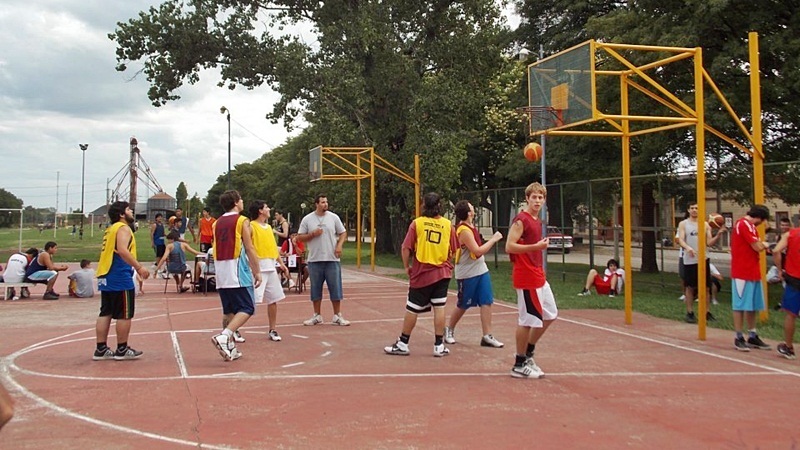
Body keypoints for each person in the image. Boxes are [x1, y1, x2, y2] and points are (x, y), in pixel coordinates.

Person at [385, 192, 458, 357]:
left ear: (424, 205)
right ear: (440, 206)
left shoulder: (417, 224)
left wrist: (406, 267)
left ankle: (403, 342)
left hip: (422, 272)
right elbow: (453, 249)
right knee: (439, 307)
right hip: (442, 272)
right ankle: (439, 345)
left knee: (412, 308)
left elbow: (406, 248)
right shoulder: (448, 225)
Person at [506, 182, 558, 379]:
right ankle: (519, 364)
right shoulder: (521, 220)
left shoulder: (537, 220)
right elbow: (509, 246)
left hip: (538, 276)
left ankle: (528, 353)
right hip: (526, 276)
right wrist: (535, 246)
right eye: (534, 197)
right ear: (527, 198)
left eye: (540, 197)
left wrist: (536, 246)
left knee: (550, 313)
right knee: (527, 320)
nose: (537, 200)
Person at [94, 201, 151, 361]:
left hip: (106, 273)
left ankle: (101, 348)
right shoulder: (123, 228)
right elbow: (123, 250)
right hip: (119, 274)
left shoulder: (110, 229)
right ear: (121, 214)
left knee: (106, 311)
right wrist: (139, 267)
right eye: (128, 209)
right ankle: (122, 349)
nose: (131, 211)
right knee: (125, 314)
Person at [443, 200, 504, 348]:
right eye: (471, 207)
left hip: (481, 269)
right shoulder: (463, 231)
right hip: (466, 273)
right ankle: (449, 329)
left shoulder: (471, 226)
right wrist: (494, 239)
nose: (473, 208)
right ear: (469, 212)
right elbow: (477, 251)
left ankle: (487, 336)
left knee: (487, 301)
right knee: (463, 304)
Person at [210, 190, 262, 361]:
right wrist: (257, 271)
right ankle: (225, 336)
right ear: (235, 202)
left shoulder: (216, 223)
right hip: (236, 270)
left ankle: (229, 347)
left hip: (221, 270)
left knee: (229, 311)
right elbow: (249, 247)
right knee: (247, 308)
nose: (243, 202)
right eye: (241, 199)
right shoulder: (242, 220)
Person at [297, 194, 350, 326]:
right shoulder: (308, 219)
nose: (325, 204)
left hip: (332, 259)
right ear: (316, 204)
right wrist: (312, 234)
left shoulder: (333, 217)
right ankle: (317, 315)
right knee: (315, 288)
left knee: (335, 288)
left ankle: (337, 315)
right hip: (315, 259)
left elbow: (343, 233)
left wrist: (339, 245)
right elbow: (299, 237)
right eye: (322, 202)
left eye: (326, 202)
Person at [730, 204, 771, 352]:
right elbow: (757, 246)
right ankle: (738, 336)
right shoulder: (743, 224)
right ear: (759, 217)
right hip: (742, 272)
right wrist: (766, 244)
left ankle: (752, 334)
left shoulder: (751, 227)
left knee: (752, 305)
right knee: (740, 305)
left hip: (753, 270)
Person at [676, 203, 726, 323]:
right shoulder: (683, 224)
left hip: (703, 259)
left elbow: (709, 243)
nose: (694, 210)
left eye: (697, 208)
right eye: (692, 208)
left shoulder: (705, 225)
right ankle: (690, 312)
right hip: (689, 260)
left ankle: (706, 312)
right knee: (690, 287)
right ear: (688, 210)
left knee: (706, 288)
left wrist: (718, 234)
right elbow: (680, 239)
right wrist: (688, 248)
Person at [249, 200, 290, 342]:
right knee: (250, 302)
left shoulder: (268, 228)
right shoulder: (251, 226)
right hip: (258, 267)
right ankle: (233, 329)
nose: (269, 209)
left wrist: (281, 264)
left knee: (273, 300)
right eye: (266, 207)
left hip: (271, 267)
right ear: (260, 211)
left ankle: (272, 329)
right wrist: (254, 268)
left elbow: (273, 248)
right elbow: (249, 248)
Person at [771, 220, 800, 359]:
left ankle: (788, 347)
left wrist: (779, 270)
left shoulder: (790, 235)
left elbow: (776, 250)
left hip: (794, 278)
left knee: (790, 314)